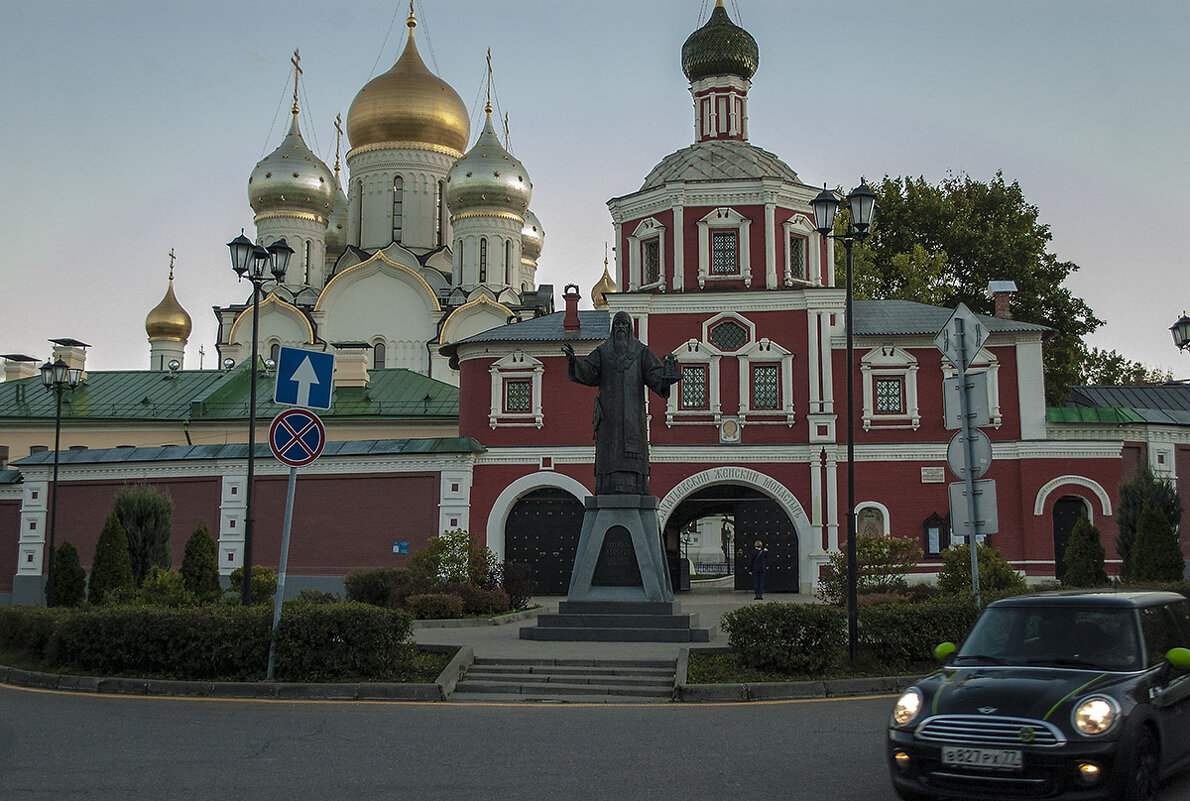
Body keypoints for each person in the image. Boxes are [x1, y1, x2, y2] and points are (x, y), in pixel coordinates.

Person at [562, 311, 680, 495]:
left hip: (633, 416)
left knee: (633, 453)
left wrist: (666, 377)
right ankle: (607, 491)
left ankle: (635, 490)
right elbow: (590, 372)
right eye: (617, 325)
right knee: (608, 453)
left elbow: (655, 375)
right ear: (612, 328)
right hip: (608, 417)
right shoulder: (603, 351)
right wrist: (574, 362)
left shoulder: (641, 352)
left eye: (624, 325)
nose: (621, 328)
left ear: (630, 328)